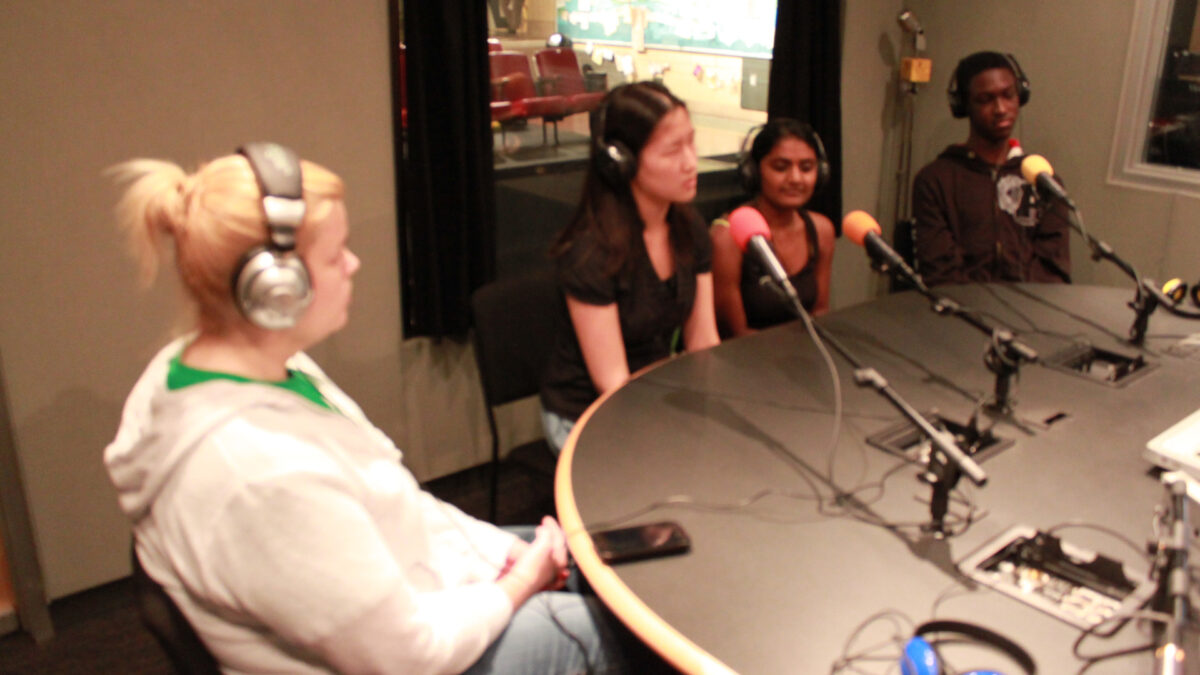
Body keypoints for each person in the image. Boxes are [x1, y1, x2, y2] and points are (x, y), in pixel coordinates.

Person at [104, 143, 665, 674]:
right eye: (334, 256)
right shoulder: (259, 474)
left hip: (412, 586)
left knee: (608, 568)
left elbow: (399, 502)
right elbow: (411, 657)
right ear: (275, 289)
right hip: (409, 657)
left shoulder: (249, 363)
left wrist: (505, 555)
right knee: (624, 637)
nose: (353, 264)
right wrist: (520, 582)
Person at [539, 82, 720, 453]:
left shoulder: (690, 229)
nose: (691, 162)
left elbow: (703, 343)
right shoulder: (591, 252)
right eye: (673, 150)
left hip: (654, 395)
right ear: (621, 160)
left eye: (691, 142)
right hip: (585, 413)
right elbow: (613, 383)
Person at [912, 51, 1071, 287]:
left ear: (1020, 96)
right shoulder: (935, 181)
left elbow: (1054, 268)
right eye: (985, 99)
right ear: (964, 105)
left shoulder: (1043, 181)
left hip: (1030, 307)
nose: (1000, 108)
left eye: (1008, 95)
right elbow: (940, 273)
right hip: (961, 307)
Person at [709, 119, 837, 337]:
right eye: (780, 167)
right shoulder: (727, 237)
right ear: (754, 172)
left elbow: (819, 313)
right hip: (747, 354)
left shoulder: (821, 230)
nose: (795, 178)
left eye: (806, 168)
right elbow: (733, 333)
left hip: (804, 351)